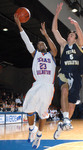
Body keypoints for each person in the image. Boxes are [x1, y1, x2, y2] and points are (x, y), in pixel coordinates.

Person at [14, 14, 57, 149]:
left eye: (42, 43)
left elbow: (54, 49)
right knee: (28, 108)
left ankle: (39, 135)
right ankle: (32, 129)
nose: (41, 44)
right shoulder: (36, 54)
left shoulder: (52, 55)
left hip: (48, 87)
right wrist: (19, 26)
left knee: (43, 113)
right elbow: (27, 41)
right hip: (38, 84)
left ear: (45, 46)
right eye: (39, 44)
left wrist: (46, 35)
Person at [52, 2, 83, 139]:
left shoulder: (79, 46)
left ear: (75, 38)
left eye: (72, 35)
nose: (70, 36)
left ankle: (63, 123)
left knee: (71, 108)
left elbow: (81, 37)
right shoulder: (64, 44)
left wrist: (76, 25)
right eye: (70, 34)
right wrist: (57, 12)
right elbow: (54, 30)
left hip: (76, 77)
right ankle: (65, 120)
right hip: (64, 74)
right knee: (64, 90)